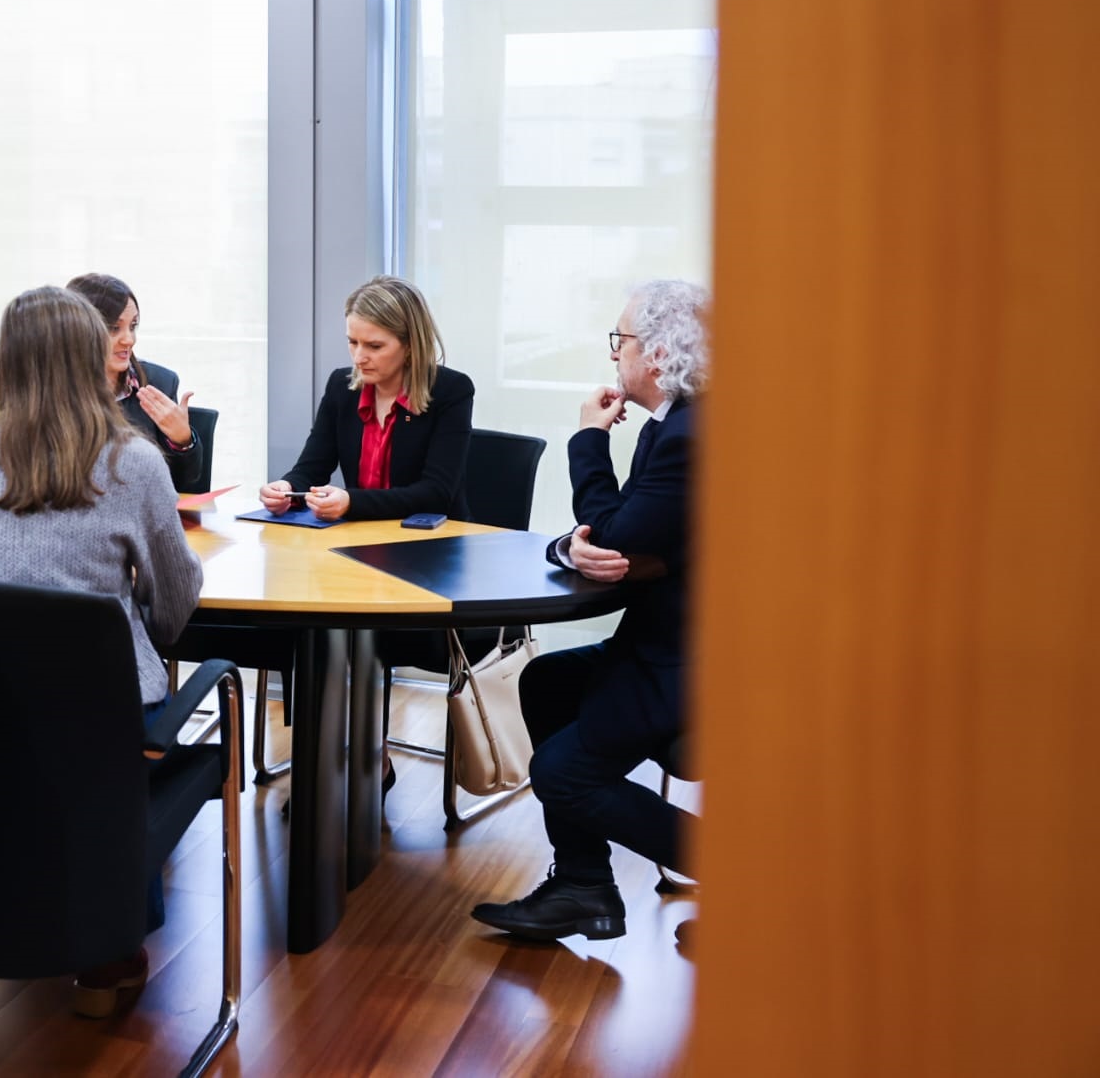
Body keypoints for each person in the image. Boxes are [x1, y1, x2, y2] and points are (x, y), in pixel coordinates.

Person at [0, 285, 204, 1018]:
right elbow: (176, 609)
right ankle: (108, 950)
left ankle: (6, 909)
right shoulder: (134, 462)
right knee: (115, 714)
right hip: (102, 714)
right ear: (94, 360)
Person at [471, 279, 707, 942]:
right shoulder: (674, 425)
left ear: (657, 352)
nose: (614, 355)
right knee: (544, 681)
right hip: (659, 641)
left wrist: (587, 439)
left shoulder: (691, 432)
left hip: (687, 663)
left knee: (559, 772)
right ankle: (583, 885)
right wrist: (582, 544)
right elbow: (611, 536)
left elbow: (613, 539)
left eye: (621, 339)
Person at [259, 275, 474, 522]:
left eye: (374, 346)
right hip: (359, 538)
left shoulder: (451, 390)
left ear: (410, 346)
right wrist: (287, 489)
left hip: (431, 543)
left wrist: (351, 502)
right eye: (353, 342)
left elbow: (436, 494)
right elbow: (312, 468)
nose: (359, 357)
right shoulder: (341, 387)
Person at [66, 273, 206, 493]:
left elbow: (184, 485)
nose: (129, 339)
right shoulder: (52, 387)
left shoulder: (159, 382)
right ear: (77, 329)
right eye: (114, 328)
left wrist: (183, 441)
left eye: (133, 326)